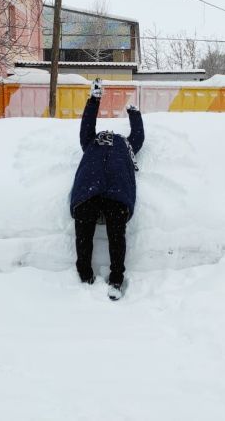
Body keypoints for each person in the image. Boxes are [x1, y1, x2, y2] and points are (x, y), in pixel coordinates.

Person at [70, 79, 144, 300]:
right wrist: (94, 100)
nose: (110, 133)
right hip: (90, 187)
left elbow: (138, 137)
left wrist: (135, 114)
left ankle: (116, 279)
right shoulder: (91, 141)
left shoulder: (126, 145)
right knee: (83, 229)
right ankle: (85, 273)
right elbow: (86, 127)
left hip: (116, 189)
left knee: (116, 234)